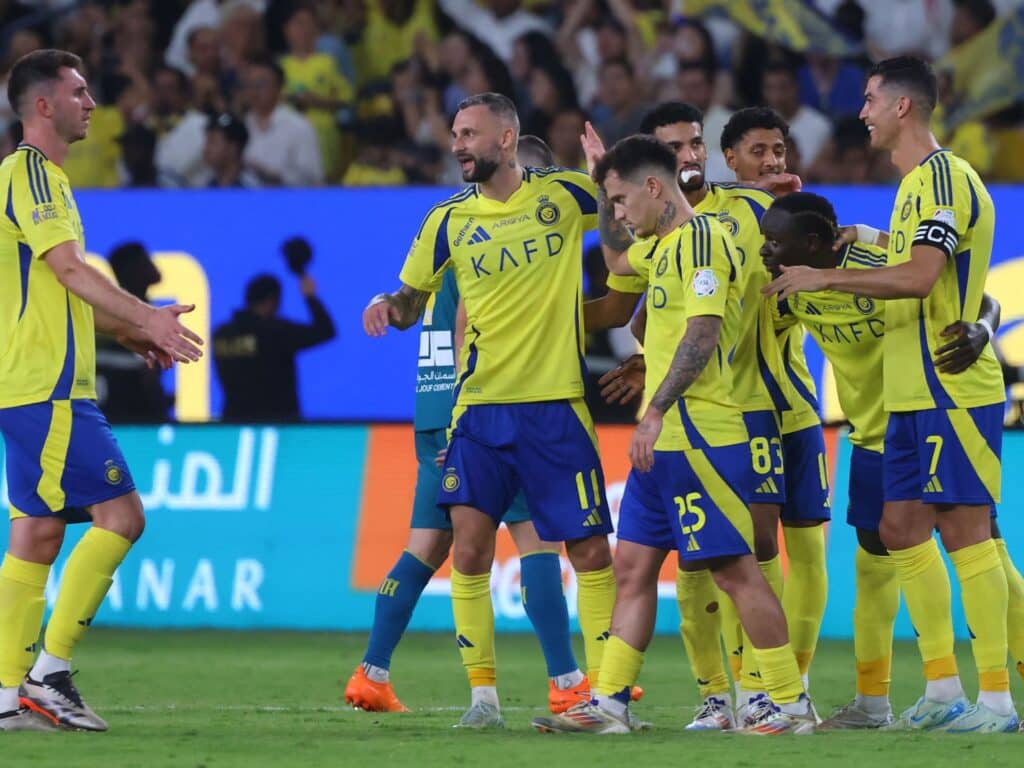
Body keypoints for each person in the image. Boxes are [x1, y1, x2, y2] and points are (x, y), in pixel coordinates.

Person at [532, 135, 815, 735]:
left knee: (735, 570)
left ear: (655, 188)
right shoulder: (663, 248)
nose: (615, 213)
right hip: (661, 446)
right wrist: (600, 172)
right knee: (632, 570)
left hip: (703, 434)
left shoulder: (705, 241)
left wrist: (656, 406)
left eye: (619, 199)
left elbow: (704, 331)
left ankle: (788, 703)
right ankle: (609, 704)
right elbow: (614, 264)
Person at [766, 56, 1015, 733]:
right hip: (910, 395)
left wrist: (825, 281)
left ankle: (996, 700)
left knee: (967, 532)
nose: (862, 111)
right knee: (900, 528)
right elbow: (905, 257)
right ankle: (941, 690)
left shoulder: (941, 180)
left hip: (946, 386)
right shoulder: (912, 190)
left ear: (904, 106)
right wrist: (862, 243)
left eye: (872, 99)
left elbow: (920, 277)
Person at [362, 93, 616, 729]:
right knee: (469, 552)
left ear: (507, 139)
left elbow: (628, 229)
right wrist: (387, 307)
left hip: (555, 404)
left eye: (469, 134)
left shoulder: (562, 195)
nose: (457, 146)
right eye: (454, 134)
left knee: (587, 552)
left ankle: (605, 694)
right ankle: (483, 701)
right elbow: (413, 300)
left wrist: (607, 183)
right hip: (477, 412)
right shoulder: (445, 220)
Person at [0, 49, 203, 733]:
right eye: (80, 92)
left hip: (29, 382)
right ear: (43, 106)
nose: (92, 102)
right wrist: (145, 314)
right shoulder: (34, 174)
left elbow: (56, 285)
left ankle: (5, 697)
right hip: (49, 386)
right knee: (123, 516)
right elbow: (67, 267)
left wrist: (124, 334)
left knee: (36, 532)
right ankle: (48, 672)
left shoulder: (33, 178)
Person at [213, 266, 336, 422]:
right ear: (272, 301)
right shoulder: (276, 332)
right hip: (279, 427)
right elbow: (325, 331)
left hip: (233, 424)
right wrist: (310, 297)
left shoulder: (221, 334)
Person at [95, 243, 172, 423]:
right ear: (130, 270)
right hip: (124, 410)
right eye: (144, 260)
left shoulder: (145, 308)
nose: (152, 264)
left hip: (143, 407)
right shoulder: (117, 313)